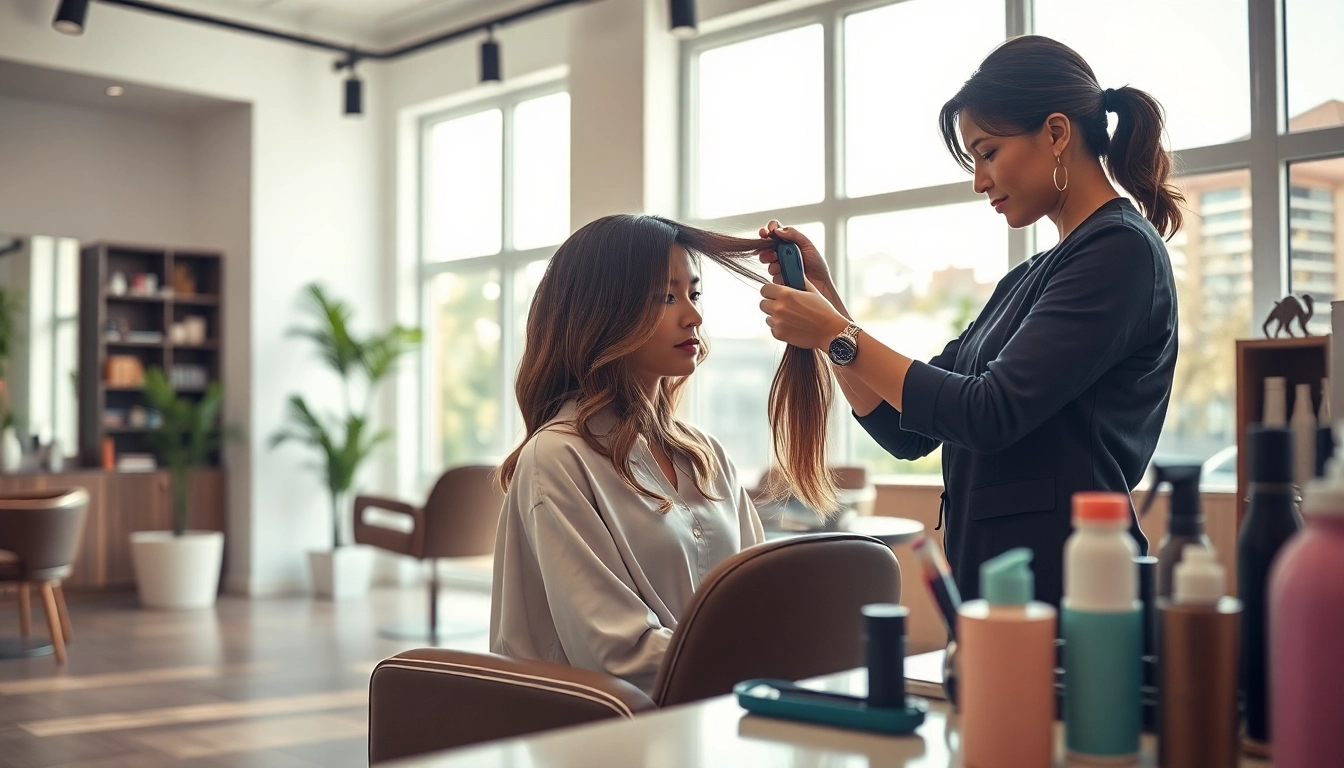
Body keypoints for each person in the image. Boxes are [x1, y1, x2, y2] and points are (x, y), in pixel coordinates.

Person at [758, 35, 1180, 608]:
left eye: (987, 152)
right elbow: (905, 431)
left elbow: (990, 412)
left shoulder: (1120, 253)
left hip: (1075, 594)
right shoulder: (1029, 277)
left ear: (1056, 133)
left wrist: (834, 333)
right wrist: (827, 301)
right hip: (1002, 590)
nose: (979, 180)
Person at [490, 214, 830, 693]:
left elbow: (761, 598)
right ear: (601, 312)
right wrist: (760, 657)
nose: (692, 315)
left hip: (714, 720)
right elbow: (616, 653)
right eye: (665, 297)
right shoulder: (557, 459)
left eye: (693, 293)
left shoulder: (705, 456)